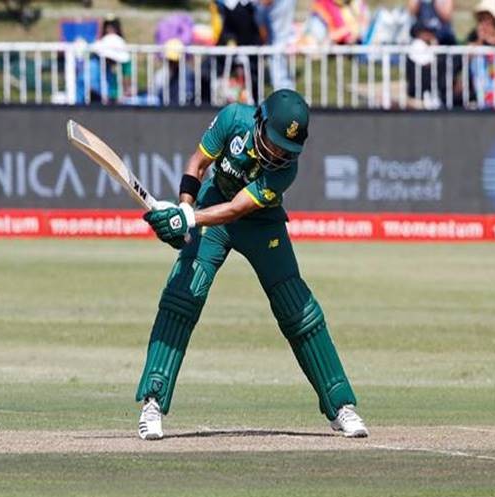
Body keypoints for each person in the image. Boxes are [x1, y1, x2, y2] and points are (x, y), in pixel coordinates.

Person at [136, 90, 369, 440]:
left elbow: (237, 209)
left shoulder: (286, 170)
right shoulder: (233, 118)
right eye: (273, 143)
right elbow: (197, 164)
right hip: (212, 205)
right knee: (182, 295)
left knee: (299, 311)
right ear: (259, 120)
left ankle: (340, 406)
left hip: (261, 223)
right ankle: (153, 402)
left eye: (285, 150)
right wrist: (184, 209)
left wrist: (190, 219)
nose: (277, 154)